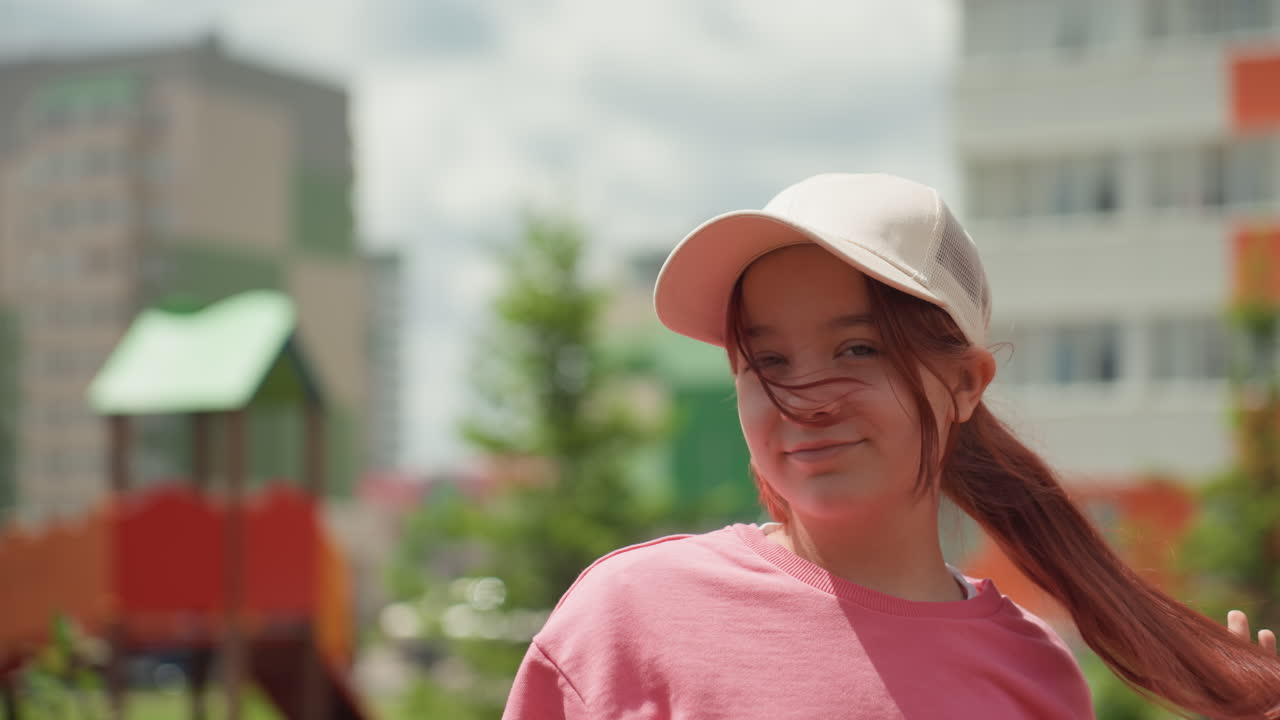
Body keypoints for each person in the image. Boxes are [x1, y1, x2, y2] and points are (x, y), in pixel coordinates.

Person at [501, 173, 1280, 719]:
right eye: (768, 361)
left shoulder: (1035, 675)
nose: (806, 399)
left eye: (859, 350)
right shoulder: (629, 616)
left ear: (967, 384)